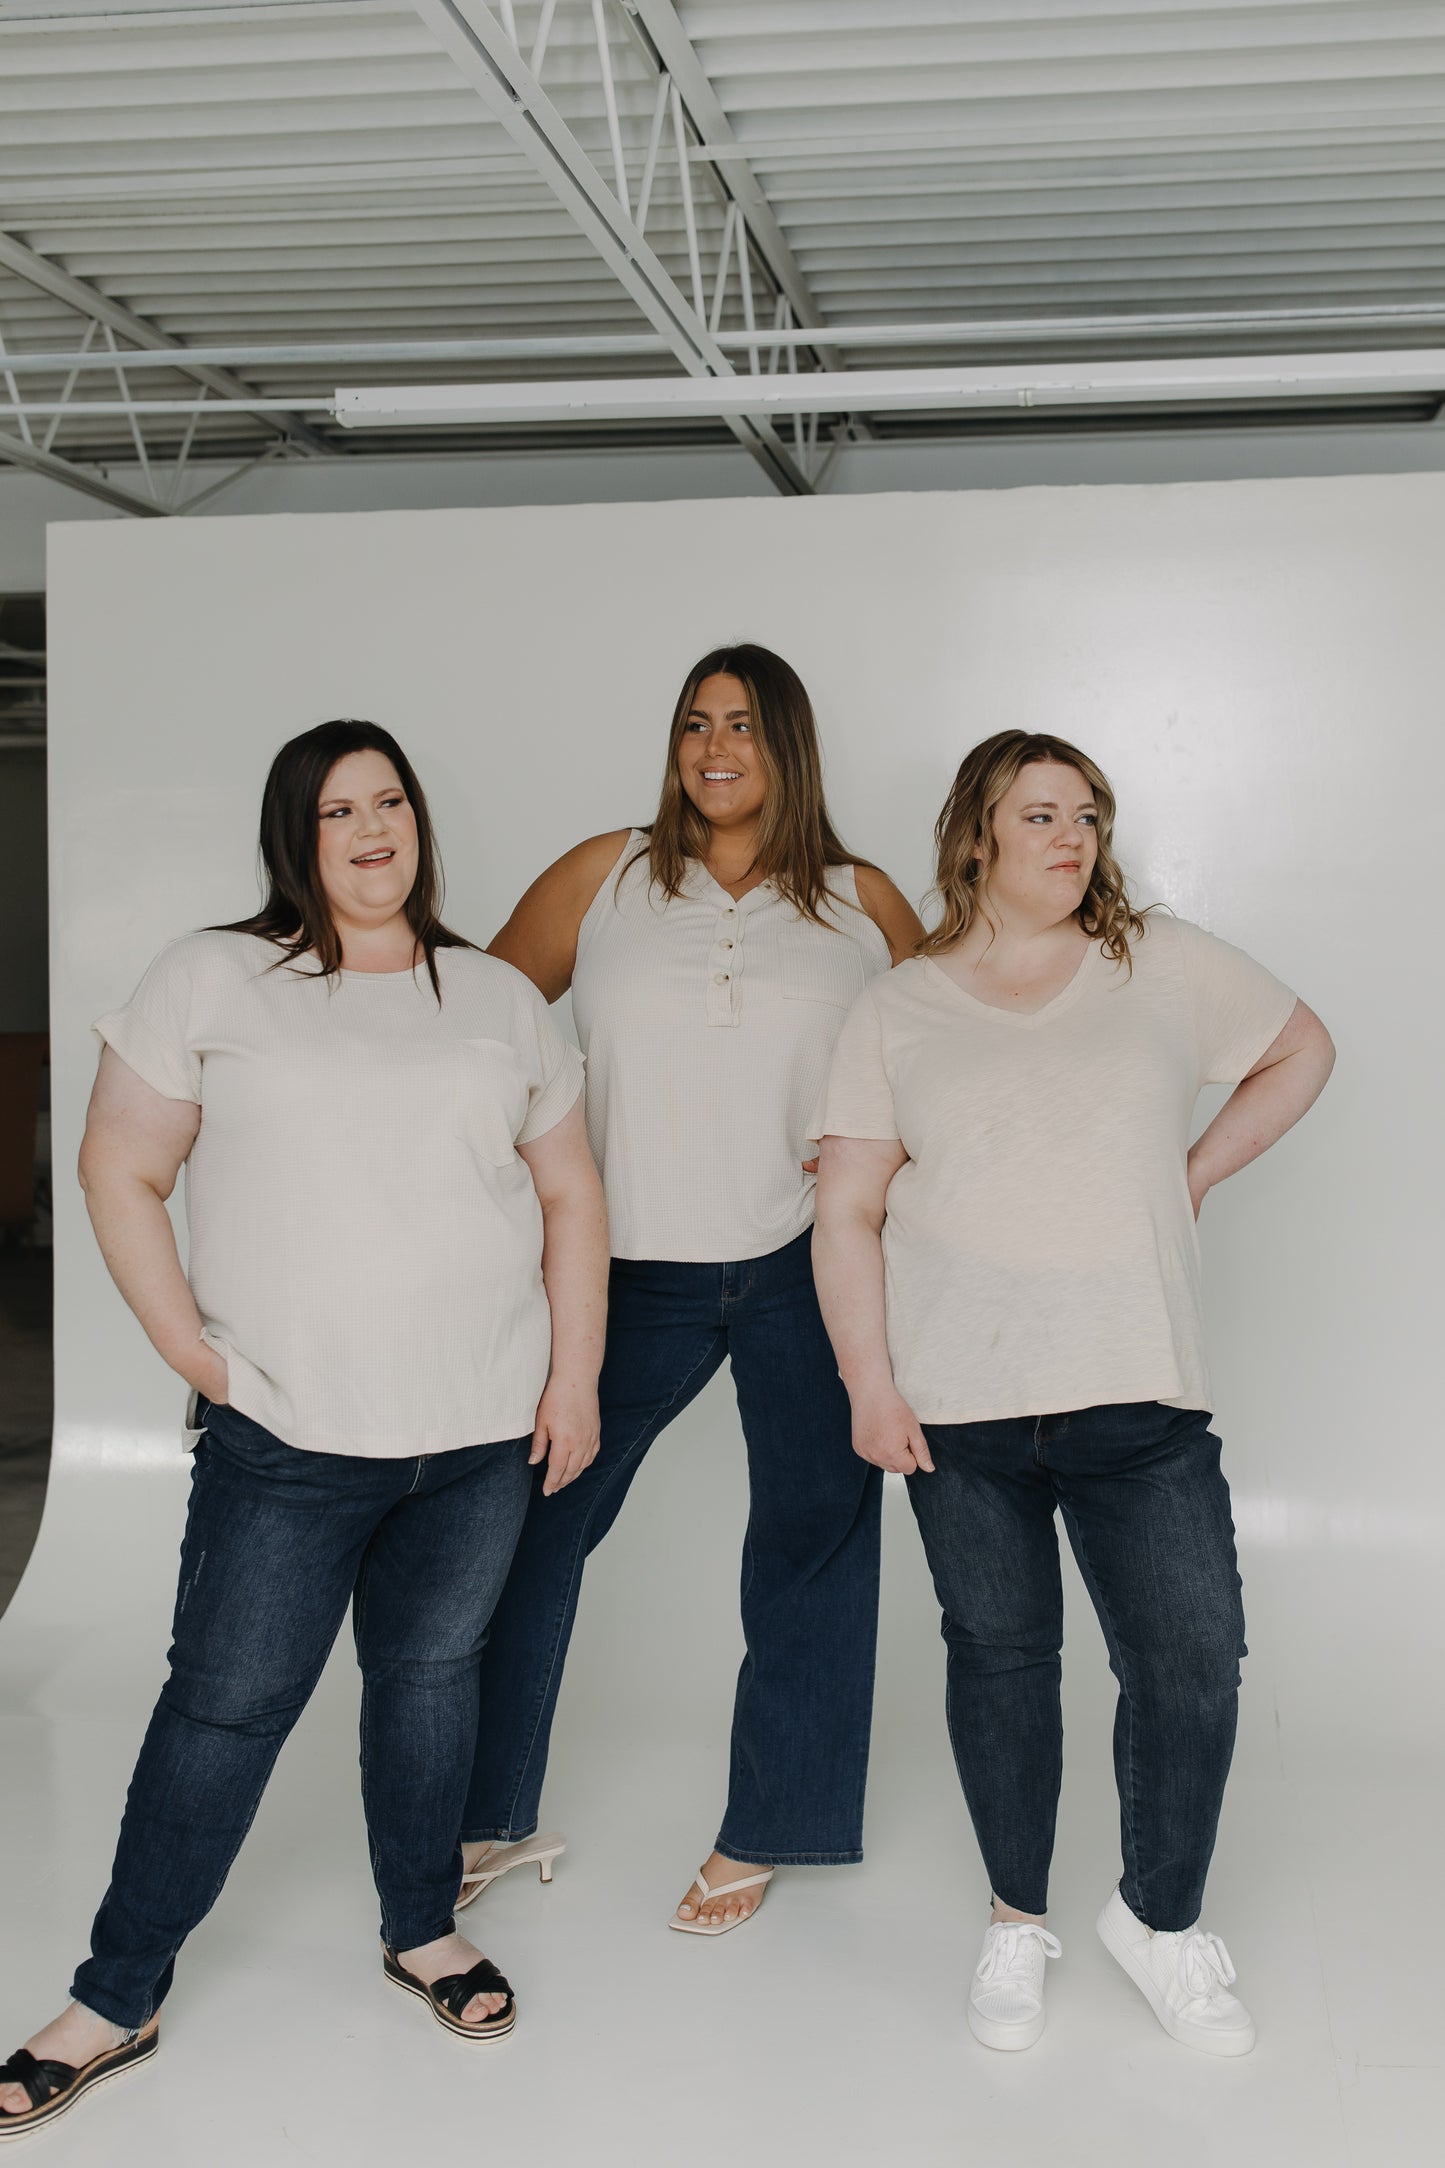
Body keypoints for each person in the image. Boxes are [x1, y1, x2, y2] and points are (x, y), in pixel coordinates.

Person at [0, 720, 608, 2140]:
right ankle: (117, 1992)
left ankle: (419, 1929)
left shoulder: (500, 997)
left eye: (389, 802)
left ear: (418, 823)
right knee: (223, 1709)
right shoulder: (216, 976)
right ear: (297, 835)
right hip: (290, 1434)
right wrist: (189, 1351)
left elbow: (571, 1196)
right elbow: (116, 1164)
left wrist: (570, 1379)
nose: (371, 830)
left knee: (429, 1678)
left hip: (477, 1434)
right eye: (338, 811)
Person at [812, 728, 1333, 2055]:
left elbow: (1300, 1048)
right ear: (973, 836)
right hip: (960, 1405)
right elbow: (848, 1209)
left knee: (1192, 1664)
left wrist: (1191, 1172)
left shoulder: (1154, 961)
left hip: (1133, 1389)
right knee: (1001, 1665)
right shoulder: (897, 1006)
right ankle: (1012, 1922)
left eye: (1087, 815)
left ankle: (1158, 1923)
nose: (1070, 837)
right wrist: (870, 1386)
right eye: (1038, 814)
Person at [455, 645, 923, 1934]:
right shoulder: (605, 875)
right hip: (624, 1270)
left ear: (793, 747)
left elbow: (946, 1058)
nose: (715, 748)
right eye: (695, 724)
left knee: (811, 1546)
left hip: (801, 1265)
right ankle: (486, 1813)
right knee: (529, 1522)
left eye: (746, 727)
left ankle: (772, 1821)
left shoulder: (859, 900)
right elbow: (476, 1024)